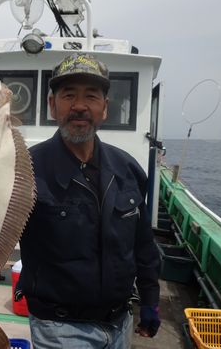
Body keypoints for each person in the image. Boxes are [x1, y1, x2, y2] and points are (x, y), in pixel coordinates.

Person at [18, 53, 161, 348]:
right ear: (52, 105)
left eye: (91, 96)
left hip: (120, 322)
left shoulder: (127, 168)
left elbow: (143, 245)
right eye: (69, 95)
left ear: (105, 108)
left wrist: (150, 300)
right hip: (59, 327)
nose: (80, 106)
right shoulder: (24, 170)